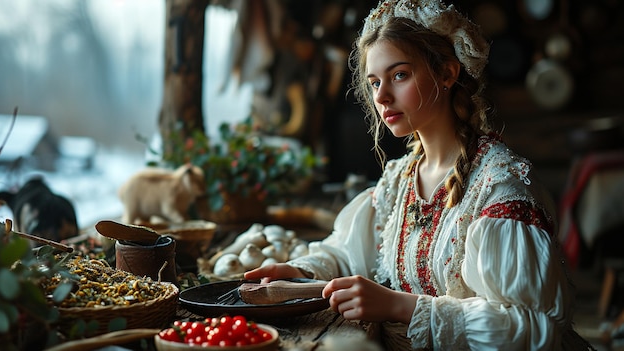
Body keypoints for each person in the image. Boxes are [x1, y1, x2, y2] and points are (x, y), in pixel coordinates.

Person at [245, 0, 593, 349]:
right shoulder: (400, 180)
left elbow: (531, 330)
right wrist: (301, 271)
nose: (381, 96)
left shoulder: (499, 187)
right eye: (374, 81)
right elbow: (351, 254)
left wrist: (400, 306)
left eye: (399, 75)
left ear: (447, 73)